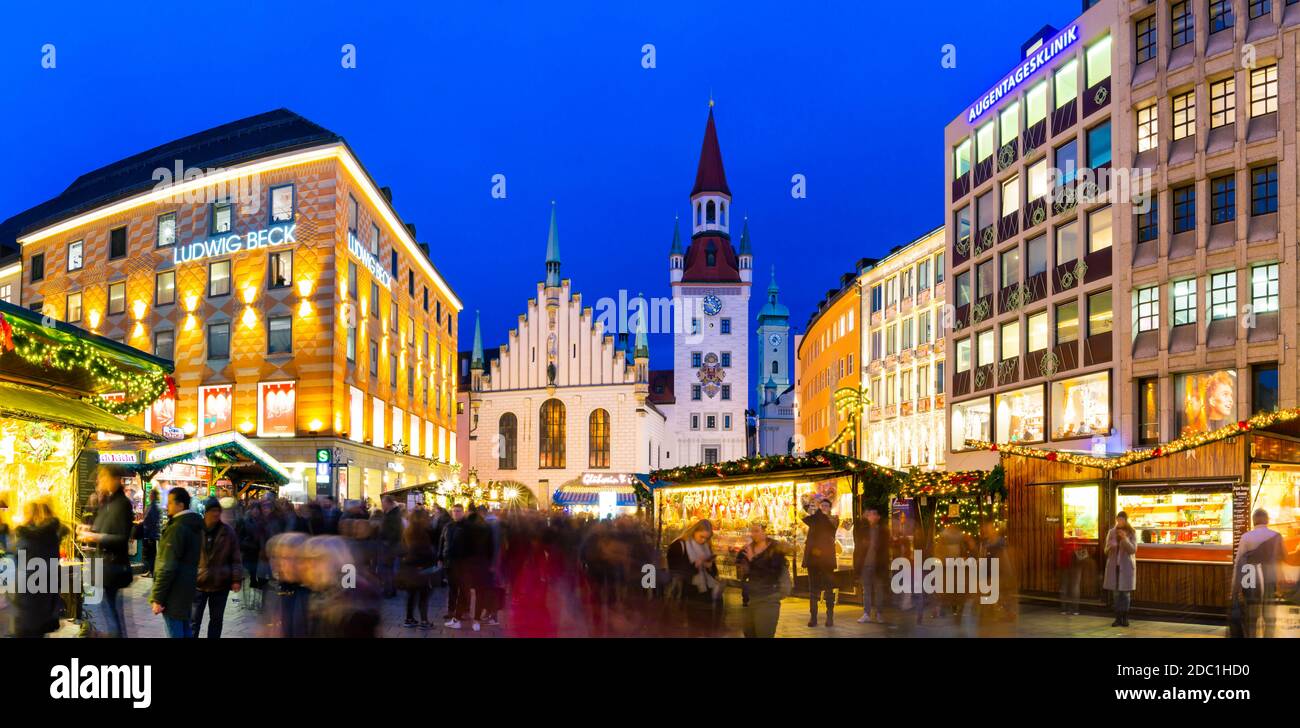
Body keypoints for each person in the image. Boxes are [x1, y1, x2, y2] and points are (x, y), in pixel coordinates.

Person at [76, 465, 135, 638]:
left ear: (115, 479)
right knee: (110, 614)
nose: (99, 480)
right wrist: (87, 529)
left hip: (112, 568)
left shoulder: (122, 504)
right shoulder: (109, 502)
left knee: (110, 616)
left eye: (103, 477)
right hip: (105, 568)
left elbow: (121, 538)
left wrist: (95, 537)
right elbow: (102, 528)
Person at [10, 499, 68, 637]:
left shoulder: (27, 539)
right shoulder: (51, 537)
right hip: (46, 604)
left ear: (29, 515)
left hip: (28, 606)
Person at [150, 487, 203, 638]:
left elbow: (167, 566)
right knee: (185, 630)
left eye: (170, 503)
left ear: (180, 505)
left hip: (173, 592)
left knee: (175, 632)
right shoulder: (193, 525)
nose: (167, 506)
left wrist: (158, 598)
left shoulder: (177, 528)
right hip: (186, 589)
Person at [192, 498, 243, 638]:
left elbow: (236, 558)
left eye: (217, 511)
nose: (215, 514)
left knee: (216, 620)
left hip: (220, 583)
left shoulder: (228, 532)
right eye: (212, 511)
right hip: (198, 583)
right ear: (206, 512)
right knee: (194, 621)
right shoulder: (196, 530)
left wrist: (236, 579)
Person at [1232, 508, 1286, 638]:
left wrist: (1235, 587)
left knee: (1251, 618)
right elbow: (1282, 557)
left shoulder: (1246, 537)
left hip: (1251, 580)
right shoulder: (1276, 536)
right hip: (1270, 580)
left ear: (1253, 521)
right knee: (1270, 618)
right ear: (1267, 520)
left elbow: (1239, 562)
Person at [666, 519, 721, 634]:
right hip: (688, 594)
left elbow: (714, 572)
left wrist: (709, 566)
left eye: (707, 538)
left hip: (706, 593)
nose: (703, 540)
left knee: (707, 628)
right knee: (692, 629)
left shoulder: (706, 546)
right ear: (694, 531)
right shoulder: (679, 545)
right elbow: (675, 570)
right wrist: (695, 565)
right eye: (701, 537)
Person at [736, 521, 787, 638]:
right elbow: (740, 567)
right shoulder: (749, 548)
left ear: (765, 532)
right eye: (752, 531)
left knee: (764, 633)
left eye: (756, 531)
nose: (753, 534)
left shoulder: (774, 549)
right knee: (749, 633)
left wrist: (753, 560)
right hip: (751, 599)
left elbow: (771, 572)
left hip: (769, 598)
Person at [801, 499, 839, 627]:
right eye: (821, 505)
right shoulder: (814, 518)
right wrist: (810, 505)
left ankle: (830, 617)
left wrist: (817, 511)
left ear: (830, 508)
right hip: (813, 560)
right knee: (813, 590)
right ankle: (813, 617)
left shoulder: (833, 519)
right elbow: (804, 517)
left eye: (826, 505)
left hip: (826, 560)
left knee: (828, 589)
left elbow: (830, 526)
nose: (823, 507)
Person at [399, 507, 437, 629]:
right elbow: (424, 550)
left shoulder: (407, 530)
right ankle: (424, 621)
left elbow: (403, 548)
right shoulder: (422, 532)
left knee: (411, 595)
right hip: (421, 567)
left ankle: (409, 619)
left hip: (409, 567)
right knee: (423, 595)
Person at [853, 506, 890, 624]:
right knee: (867, 590)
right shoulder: (863, 529)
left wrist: (885, 564)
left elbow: (885, 549)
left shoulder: (883, 531)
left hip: (878, 565)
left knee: (879, 590)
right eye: (870, 514)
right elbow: (858, 547)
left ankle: (879, 613)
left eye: (874, 514)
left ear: (878, 517)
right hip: (865, 564)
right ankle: (866, 613)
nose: (872, 516)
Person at [1103, 511, 1137, 628]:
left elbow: (1133, 550)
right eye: (1118, 519)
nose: (1120, 522)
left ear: (1126, 520)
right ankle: (1117, 618)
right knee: (1116, 594)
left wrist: (1125, 539)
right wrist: (1110, 546)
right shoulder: (1111, 532)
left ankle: (1125, 618)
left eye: (1122, 520)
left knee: (1125, 594)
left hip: (1126, 568)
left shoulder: (1132, 532)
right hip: (1114, 568)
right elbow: (1105, 551)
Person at [441, 503, 469, 628]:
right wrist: (440, 557)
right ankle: (451, 611)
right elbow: (441, 542)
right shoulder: (448, 526)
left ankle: (463, 611)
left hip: (462, 563)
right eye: (454, 511)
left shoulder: (467, 526)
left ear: (463, 512)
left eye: (458, 511)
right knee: (452, 588)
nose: (456, 513)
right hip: (449, 562)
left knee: (462, 589)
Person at [379, 495, 403, 598]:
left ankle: (389, 590)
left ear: (389, 503)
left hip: (390, 545)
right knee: (388, 569)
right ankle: (390, 589)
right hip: (389, 544)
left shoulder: (393, 515)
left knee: (387, 569)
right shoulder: (391, 513)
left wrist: (387, 541)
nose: (382, 505)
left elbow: (396, 531)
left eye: (383, 503)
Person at [140, 488, 161, 578]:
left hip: (150, 535)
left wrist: (144, 523)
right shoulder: (153, 506)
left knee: (151, 554)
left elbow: (150, 522)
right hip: (150, 534)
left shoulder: (153, 507)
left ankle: (151, 571)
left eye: (150, 494)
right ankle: (151, 571)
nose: (149, 495)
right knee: (150, 554)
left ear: (153, 496)